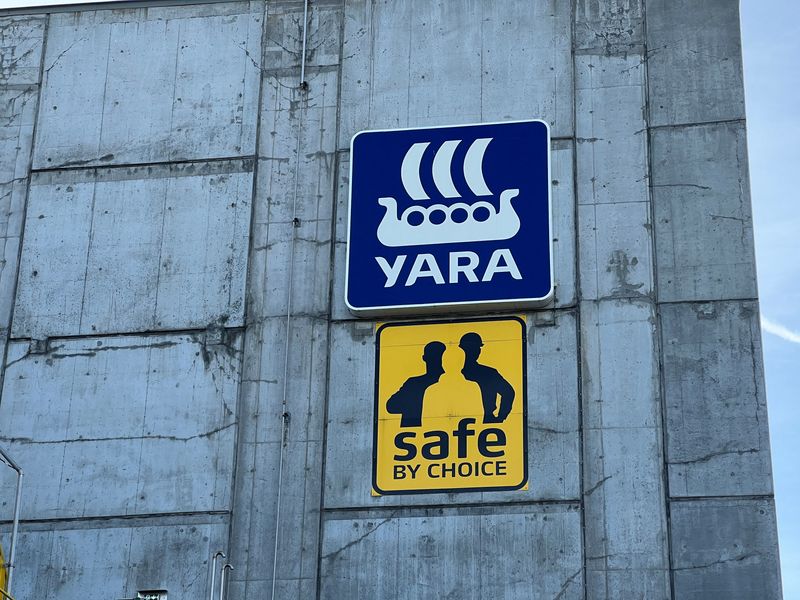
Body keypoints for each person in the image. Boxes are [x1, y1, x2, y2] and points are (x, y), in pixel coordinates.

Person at [386, 341, 446, 427]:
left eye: (437, 357)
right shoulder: (413, 383)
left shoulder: (413, 384)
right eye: (434, 356)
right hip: (414, 435)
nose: (436, 360)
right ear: (424, 358)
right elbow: (391, 406)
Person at [459, 332, 515, 423]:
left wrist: (500, 418)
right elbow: (509, 393)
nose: (476, 351)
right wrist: (500, 418)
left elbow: (508, 392)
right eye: (471, 349)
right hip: (481, 424)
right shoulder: (488, 373)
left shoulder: (489, 373)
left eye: (477, 348)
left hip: (486, 424)